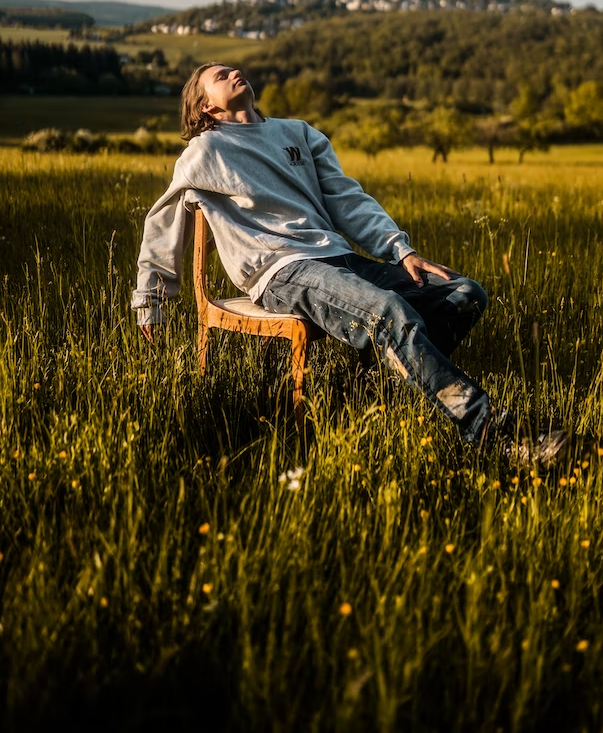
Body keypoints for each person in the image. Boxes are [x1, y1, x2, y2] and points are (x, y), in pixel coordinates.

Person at [132, 62, 568, 464]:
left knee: (465, 294)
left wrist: (402, 250)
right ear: (206, 104)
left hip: (336, 257)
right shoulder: (205, 151)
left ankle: (369, 386)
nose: (235, 72)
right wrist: (151, 298)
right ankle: (496, 433)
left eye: (235, 68)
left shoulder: (298, 132)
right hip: (281, 271)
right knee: (388, 313)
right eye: (222, 75)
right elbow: (165, 221)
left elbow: (347, 198)